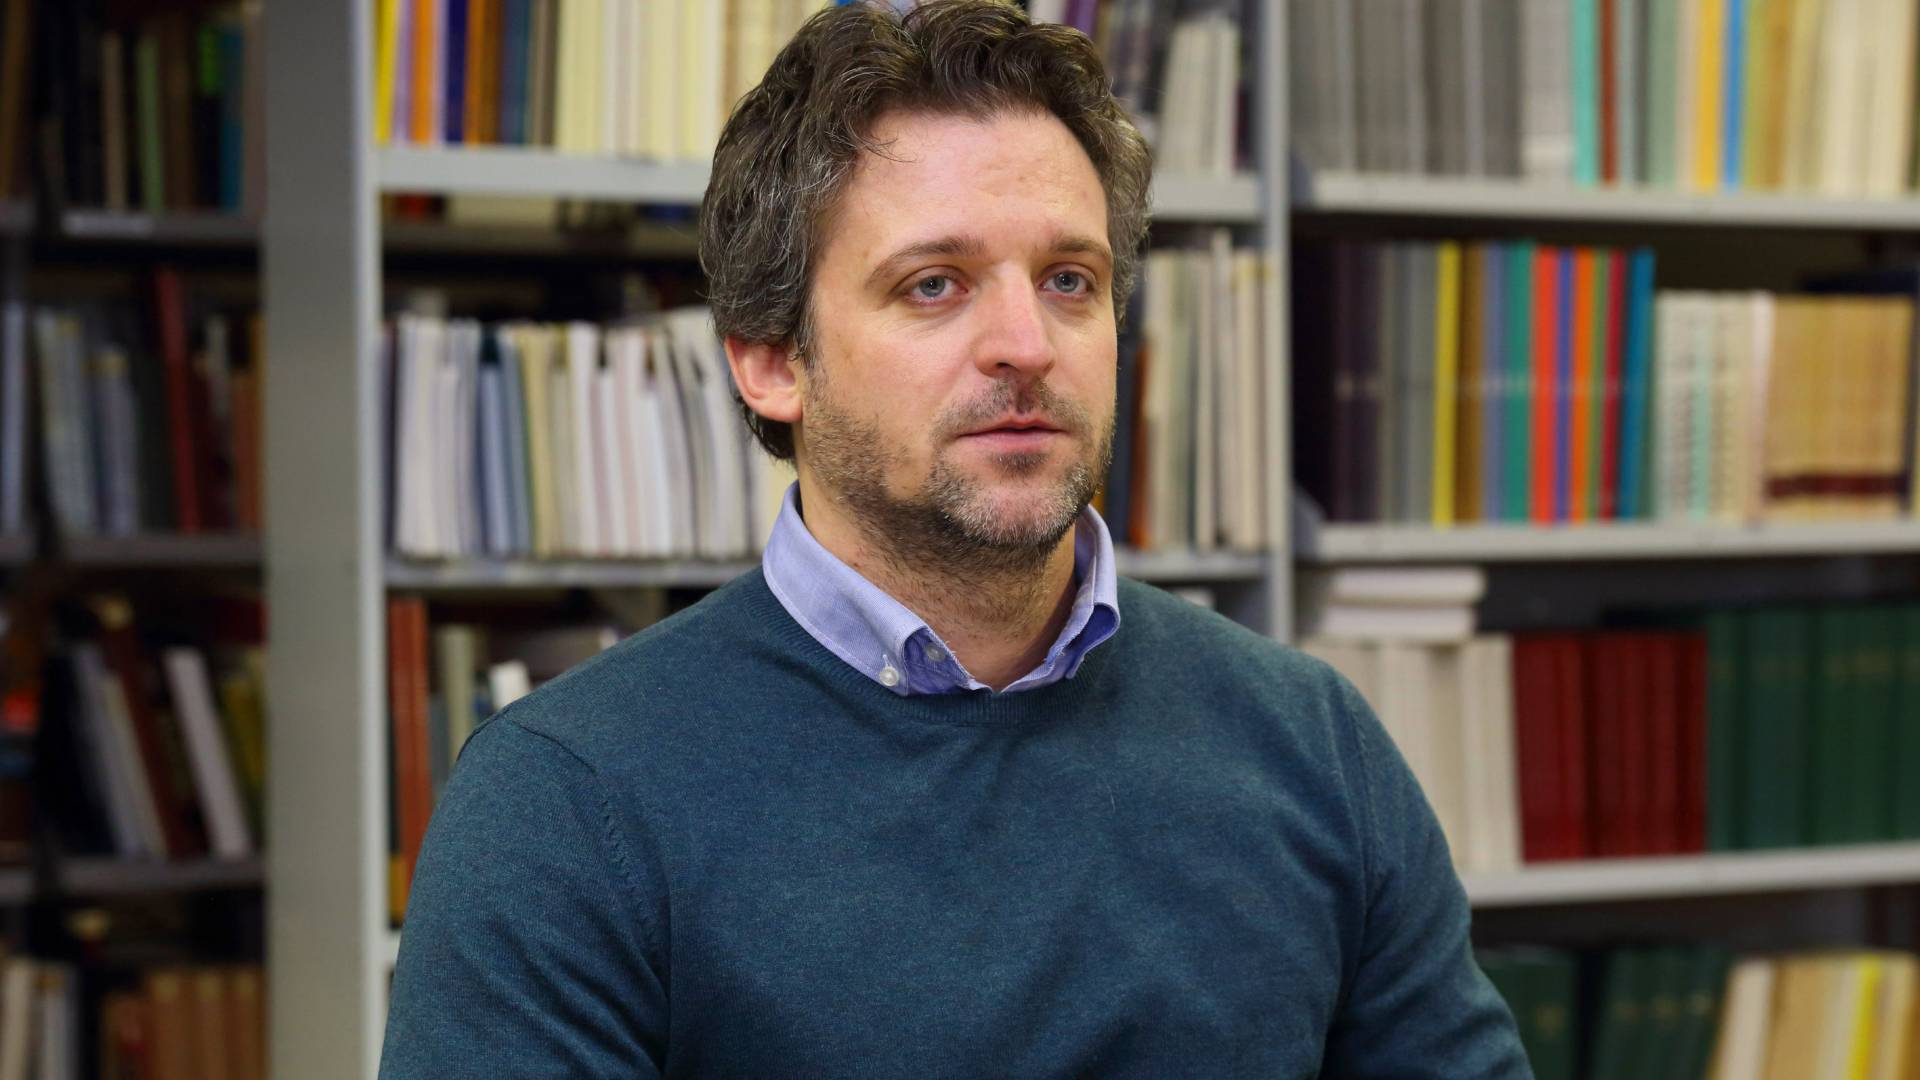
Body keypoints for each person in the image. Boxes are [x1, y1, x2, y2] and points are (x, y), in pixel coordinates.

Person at [379, 2, 1530, 1076]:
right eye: (935, 285)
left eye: (1070, 279)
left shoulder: (1311, 743)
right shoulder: (566, 801)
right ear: (770, 360)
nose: (1026, 341)